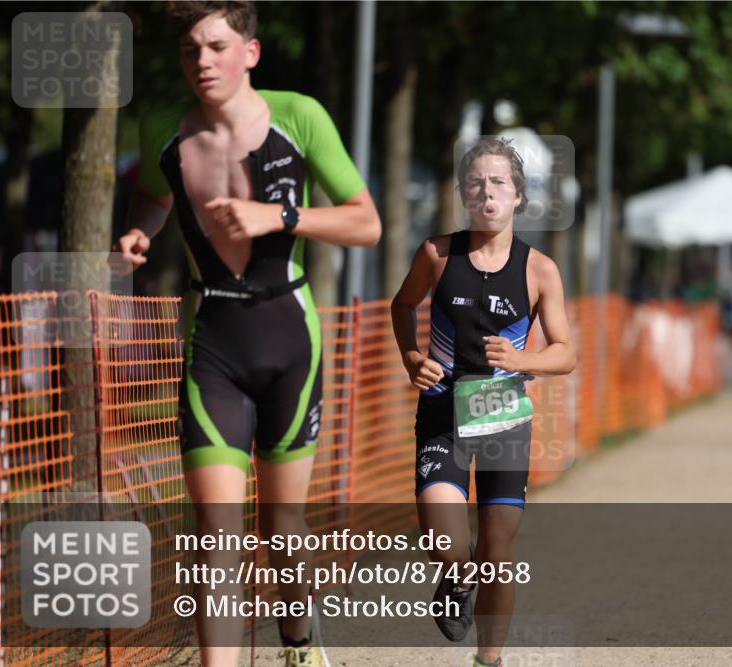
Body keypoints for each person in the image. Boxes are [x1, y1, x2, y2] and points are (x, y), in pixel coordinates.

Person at [111, 3, 381, 666]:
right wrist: (142, 228)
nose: (201, 61)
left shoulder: (299, 116)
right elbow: (156, 190)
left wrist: (278, 215)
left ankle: (296, 641)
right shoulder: (160, 128)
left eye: (216, 46)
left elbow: (365, 222)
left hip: (290, 336)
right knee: (215, 533)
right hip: (216, 342)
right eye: (189, 51)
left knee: (281, 529)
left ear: (250, 53)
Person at [391, 138, 575, 667]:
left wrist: (524, 362)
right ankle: (456, 576)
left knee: (498, 556)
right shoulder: (436, 254)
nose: (487, 191)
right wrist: (410, 356)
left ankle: (487, 661)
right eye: (476, 182)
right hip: (444, 410)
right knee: (445, 544)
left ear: (519, 196)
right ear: (462, 194)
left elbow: (565, 354)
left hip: (502, 416)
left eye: (499, 182)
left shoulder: (539, 271)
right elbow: (403, 305)